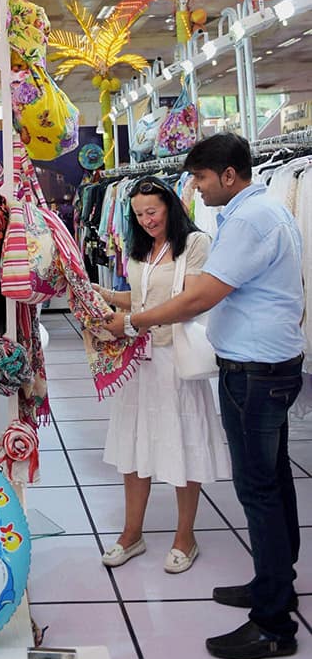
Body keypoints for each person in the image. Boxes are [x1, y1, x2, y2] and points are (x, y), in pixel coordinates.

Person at [106, 133, 305, 659]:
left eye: (198, 177)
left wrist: (133, 322)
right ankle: (272, 586)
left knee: (259, 489)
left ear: (228, 175)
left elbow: (198, 296)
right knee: (274, 479)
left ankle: (273, 625)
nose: (193, 187)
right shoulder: (264, 209)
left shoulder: (245, 221)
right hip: (267, 362)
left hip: (258, 370)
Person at [95, 176, 228, 574]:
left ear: (171, 205)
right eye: (138, 214)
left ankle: (185, 537)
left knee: (183, 444)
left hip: (176, 360)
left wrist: (132, 321)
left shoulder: (195, 245)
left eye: (152, 211)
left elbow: (188, 303)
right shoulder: (140, 249)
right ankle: (131, 533)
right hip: (139, 362)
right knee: (133, 448)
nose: (146, 220)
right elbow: (141, 297)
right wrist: (102, 296)